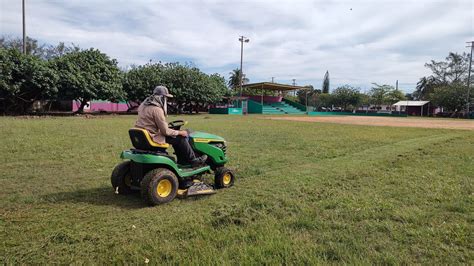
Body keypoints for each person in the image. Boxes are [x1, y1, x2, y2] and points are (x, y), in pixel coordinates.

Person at [135, 86, 207, 166]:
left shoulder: (142, 106)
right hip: (153, 137)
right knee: (180, 138)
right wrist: (180, 132)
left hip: (144, 136)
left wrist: (174, 131)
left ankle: (182, 161)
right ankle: (193, 160)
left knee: (176, 136)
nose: (167, 101)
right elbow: (165, 131)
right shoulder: (157, 110)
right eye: (166, 98)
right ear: (162, 98)